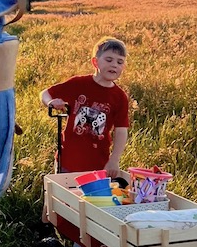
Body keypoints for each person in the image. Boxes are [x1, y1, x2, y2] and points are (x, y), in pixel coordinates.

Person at [39, 36, 129, 174]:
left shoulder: (120, 97)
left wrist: (114, 160)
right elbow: (45, 93)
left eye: (119, 62)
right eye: (109, 60)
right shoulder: (78, 84)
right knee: (63, 194)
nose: (114, 65)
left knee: (93, 195)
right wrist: (50, 102)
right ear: (95, 62)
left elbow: (121, 130)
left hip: (99, 162)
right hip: (68, 160)